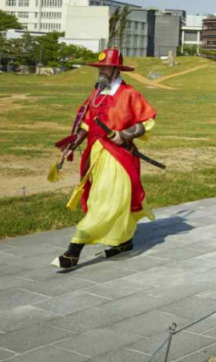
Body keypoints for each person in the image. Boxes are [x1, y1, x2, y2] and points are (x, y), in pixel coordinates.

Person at [52, 48, 157, 268]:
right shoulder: (97, 93)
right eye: (100, 67)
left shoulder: (129, 93)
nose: (102, 71)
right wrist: (72, 145)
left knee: (106, 201)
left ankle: (73, 251)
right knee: (103, 199)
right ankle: (123, 242)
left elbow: (146, 122)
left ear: (117, 69)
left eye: (106, 67)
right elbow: (86, 124)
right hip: (96, 155)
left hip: (119, 157)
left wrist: (123, 134)